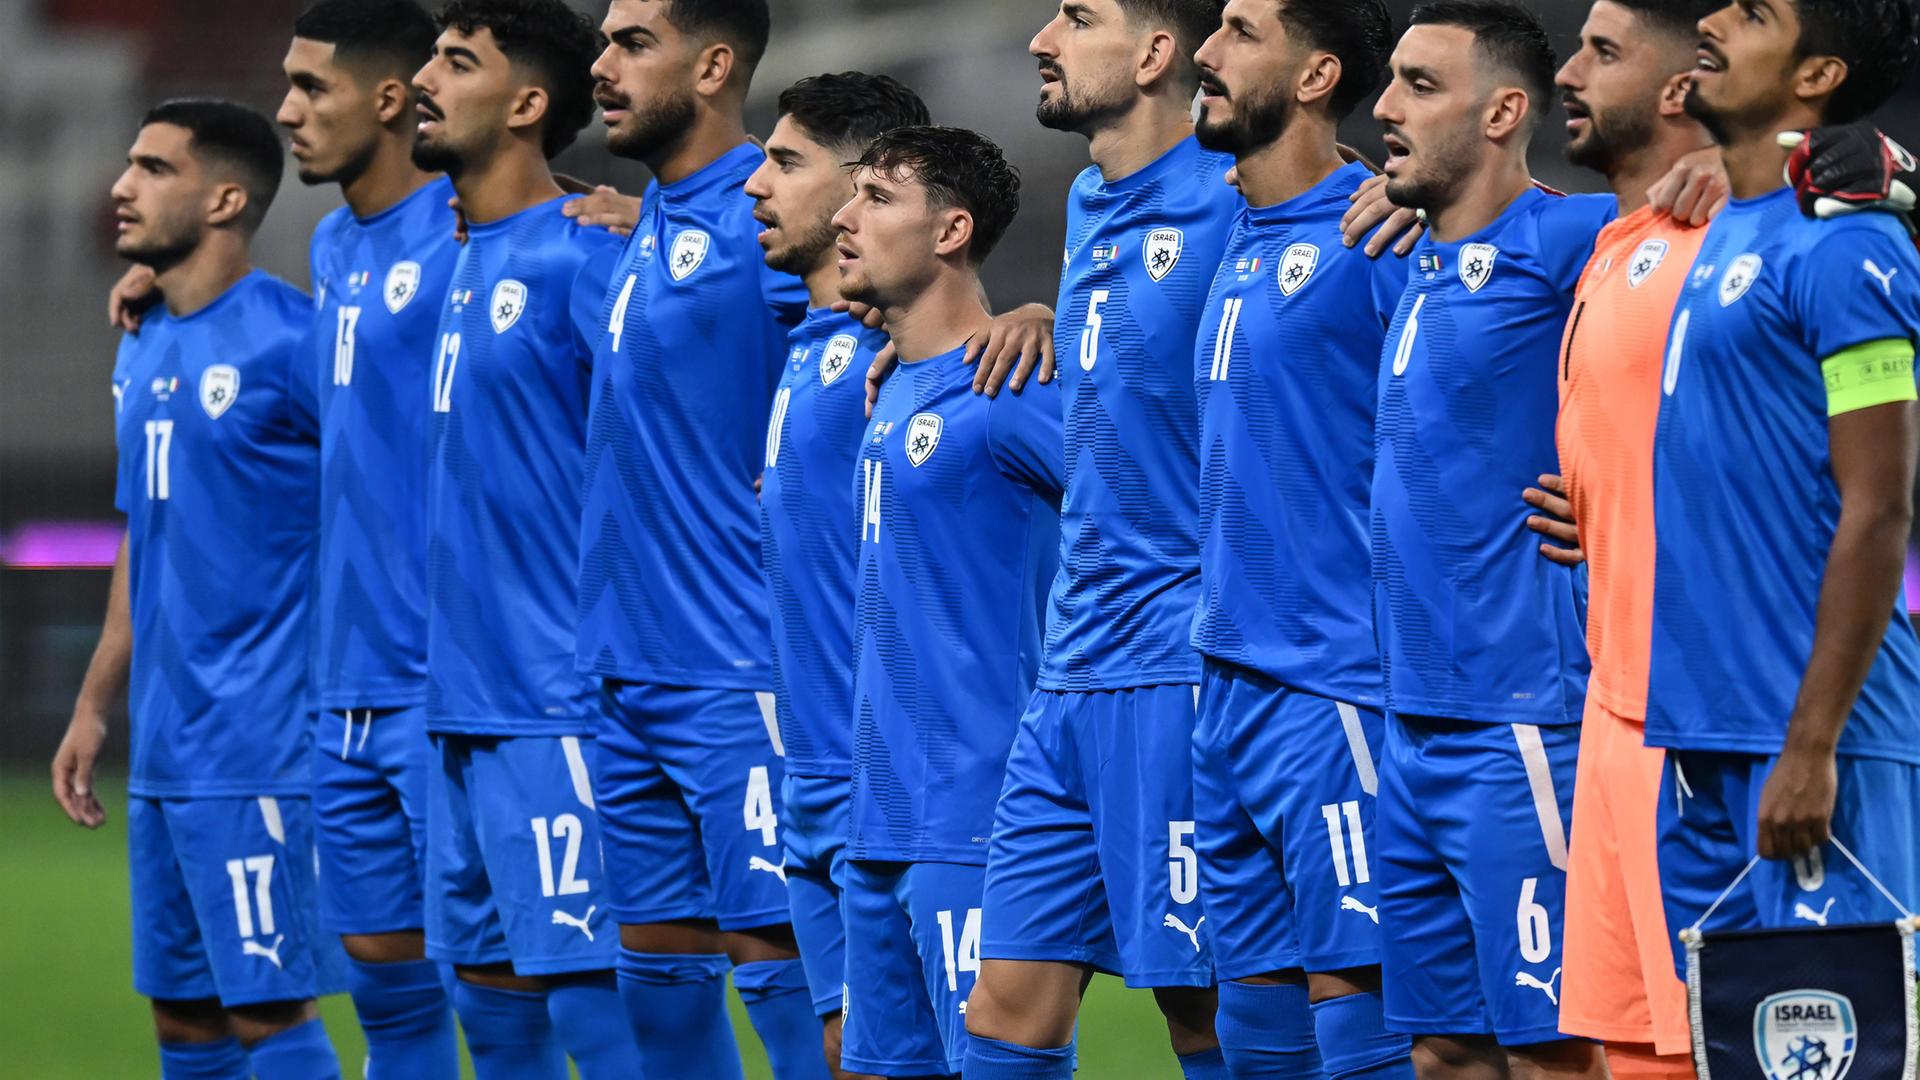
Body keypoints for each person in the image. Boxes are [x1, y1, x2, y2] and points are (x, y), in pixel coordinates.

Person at [962, 3, 1234, 1076]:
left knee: (1201, 1011)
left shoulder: (1242, 193)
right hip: (1068, 670)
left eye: (1077, 17)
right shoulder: (1088, 199)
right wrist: (1039, 312)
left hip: (1176, 666)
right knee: (1004, 1015)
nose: (1041, 36)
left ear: (1157, 53)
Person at [54, 98, 341, 1080]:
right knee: (183, 1018)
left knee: (268, 1007)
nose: (119, 186)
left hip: (261, 741)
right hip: (166, 744)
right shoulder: (142, 342)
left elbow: (384, 505)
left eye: (150, 167)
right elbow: (148, 537)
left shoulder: (292, 340)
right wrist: (96, 706)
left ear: (225, 198)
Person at [575, 3, 830, 1076]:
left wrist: (1025, 321)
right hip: (625, 674)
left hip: (741, 668)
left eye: (634, 42)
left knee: (789, 985)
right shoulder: (649, 219)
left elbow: (892, 324)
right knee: (660, 993)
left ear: (715, 63)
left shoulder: (774, 220)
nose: (603, 63)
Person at [1367, 2, 1616, 1075]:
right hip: (1405, 723)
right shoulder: (1407, 256)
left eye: (1421, 85)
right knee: (1443, 1055)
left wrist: (1617, 495)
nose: (1385, 107)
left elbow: (1708, 318)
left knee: (1556, 1052)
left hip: (1521, 723)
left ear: (1507, 110)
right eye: (1389, 81)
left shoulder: (1570, 235)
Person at [1649, 0, 1920, 975]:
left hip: (1811, 740)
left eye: (1754, 12)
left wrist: (1811, 745)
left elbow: (1881, 505)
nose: (1713, 18)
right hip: (1704, 734)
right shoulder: (1731, 226)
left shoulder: (1851, 247)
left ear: (1816, 76)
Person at [1185, 1, 1415, 1077]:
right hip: (1225, 688)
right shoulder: (1234, 229)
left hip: (1334, 688)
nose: (1204, 52)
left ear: (1317, 74)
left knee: (1359, 1009)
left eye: (1239, 31)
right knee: (1254, 1032)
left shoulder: (1382, 233)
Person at [406, 2, 633, 1075]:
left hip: (555, 707)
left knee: (599, 1011)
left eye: (456, 63)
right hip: (458, 706)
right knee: (492, 1020)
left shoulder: (584, 252)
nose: (421, 80)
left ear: (529, 105)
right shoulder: (460, 255)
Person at [833, 123, 1065, 1080]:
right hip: (877, 814)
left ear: (950, 231)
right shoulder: (889, 388)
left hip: (978, 809)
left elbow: (1155, 504)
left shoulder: (1012, 384)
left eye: (878, 198)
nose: (844, 217)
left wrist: (1048, 320)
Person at [1523, 3, 1721, 1075]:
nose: (1569, 71)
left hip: (1712, 726)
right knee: (1633, 1052)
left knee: (1736, 1041)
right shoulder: (1615, 242)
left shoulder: (1755, 225)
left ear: (1686, 83)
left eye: (1604, 52)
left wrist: (1799, 166)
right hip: (1614, 709)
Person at [282, 3, 463, 1072]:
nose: (288, 112)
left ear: (390, 98)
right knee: (387, 997)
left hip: (455, 686)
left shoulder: (472, 227)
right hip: (343, 686)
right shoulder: (331, 242)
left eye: (313, 88)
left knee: (517, 996)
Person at [743, 71, 933, 1080]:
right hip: (812, 770)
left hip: (900, 778)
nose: (754, 186)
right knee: (843, 1058)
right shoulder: (813, 342)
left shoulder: (907, 356)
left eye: (783, 163)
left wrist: (1024, 316)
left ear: (864, 183)